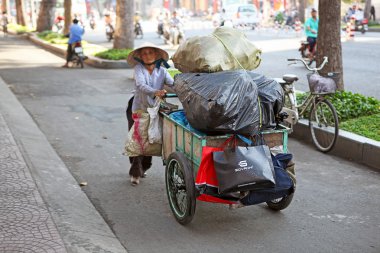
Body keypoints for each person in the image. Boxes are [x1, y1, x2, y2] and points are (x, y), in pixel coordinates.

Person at [126, 42, 174, 185]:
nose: (147, 56)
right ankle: (135, 171)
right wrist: (156, 92)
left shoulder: (163, 71)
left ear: (156, 55)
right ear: (140, 56)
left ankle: (144, 166)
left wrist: (186, 88)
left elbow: (173, 84)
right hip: (137, 108)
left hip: (154, 110)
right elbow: (141, 85)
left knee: (151, 139)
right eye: (144, 53)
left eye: (150, 53)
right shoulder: (138, 69)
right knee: (138, 139)